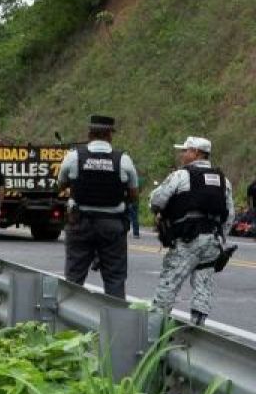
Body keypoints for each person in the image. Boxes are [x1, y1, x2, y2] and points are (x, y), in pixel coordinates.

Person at [150, 136, 235, 326]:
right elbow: (230, 216)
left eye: (185, 150)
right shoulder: (223, 180)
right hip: (213, 240)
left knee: (168, 285)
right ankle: (198, 331)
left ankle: (154, 336)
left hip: (188, 240)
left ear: (196, 153)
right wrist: (221, 238)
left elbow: (156, 201)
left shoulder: (181, 175)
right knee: (203, 287)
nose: (182, 154)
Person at [57, 115, 139, 300]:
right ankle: (116, 322)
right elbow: (134, 194)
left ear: (89, 134)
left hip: (80, 223)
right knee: (115, 278)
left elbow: (60, 185)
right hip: (112, 225)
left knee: (74, 277)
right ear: (110, 135)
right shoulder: (123, 160)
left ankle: (68, 320)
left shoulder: (74, 157)